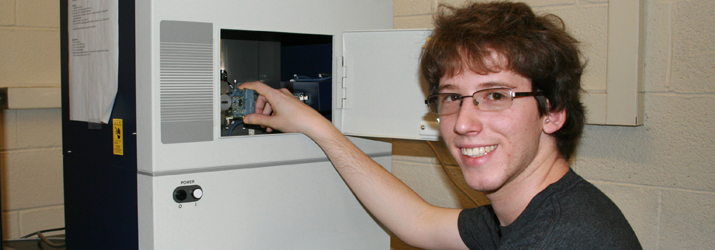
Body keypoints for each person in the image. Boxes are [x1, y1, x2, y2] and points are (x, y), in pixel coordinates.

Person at [240, 1, 642, 249]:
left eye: (496, 95)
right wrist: (319, 128)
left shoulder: (558, 238)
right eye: (452, 97)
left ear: (552, 112)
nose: (464, 123)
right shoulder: (539, 210)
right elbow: (419, 223)